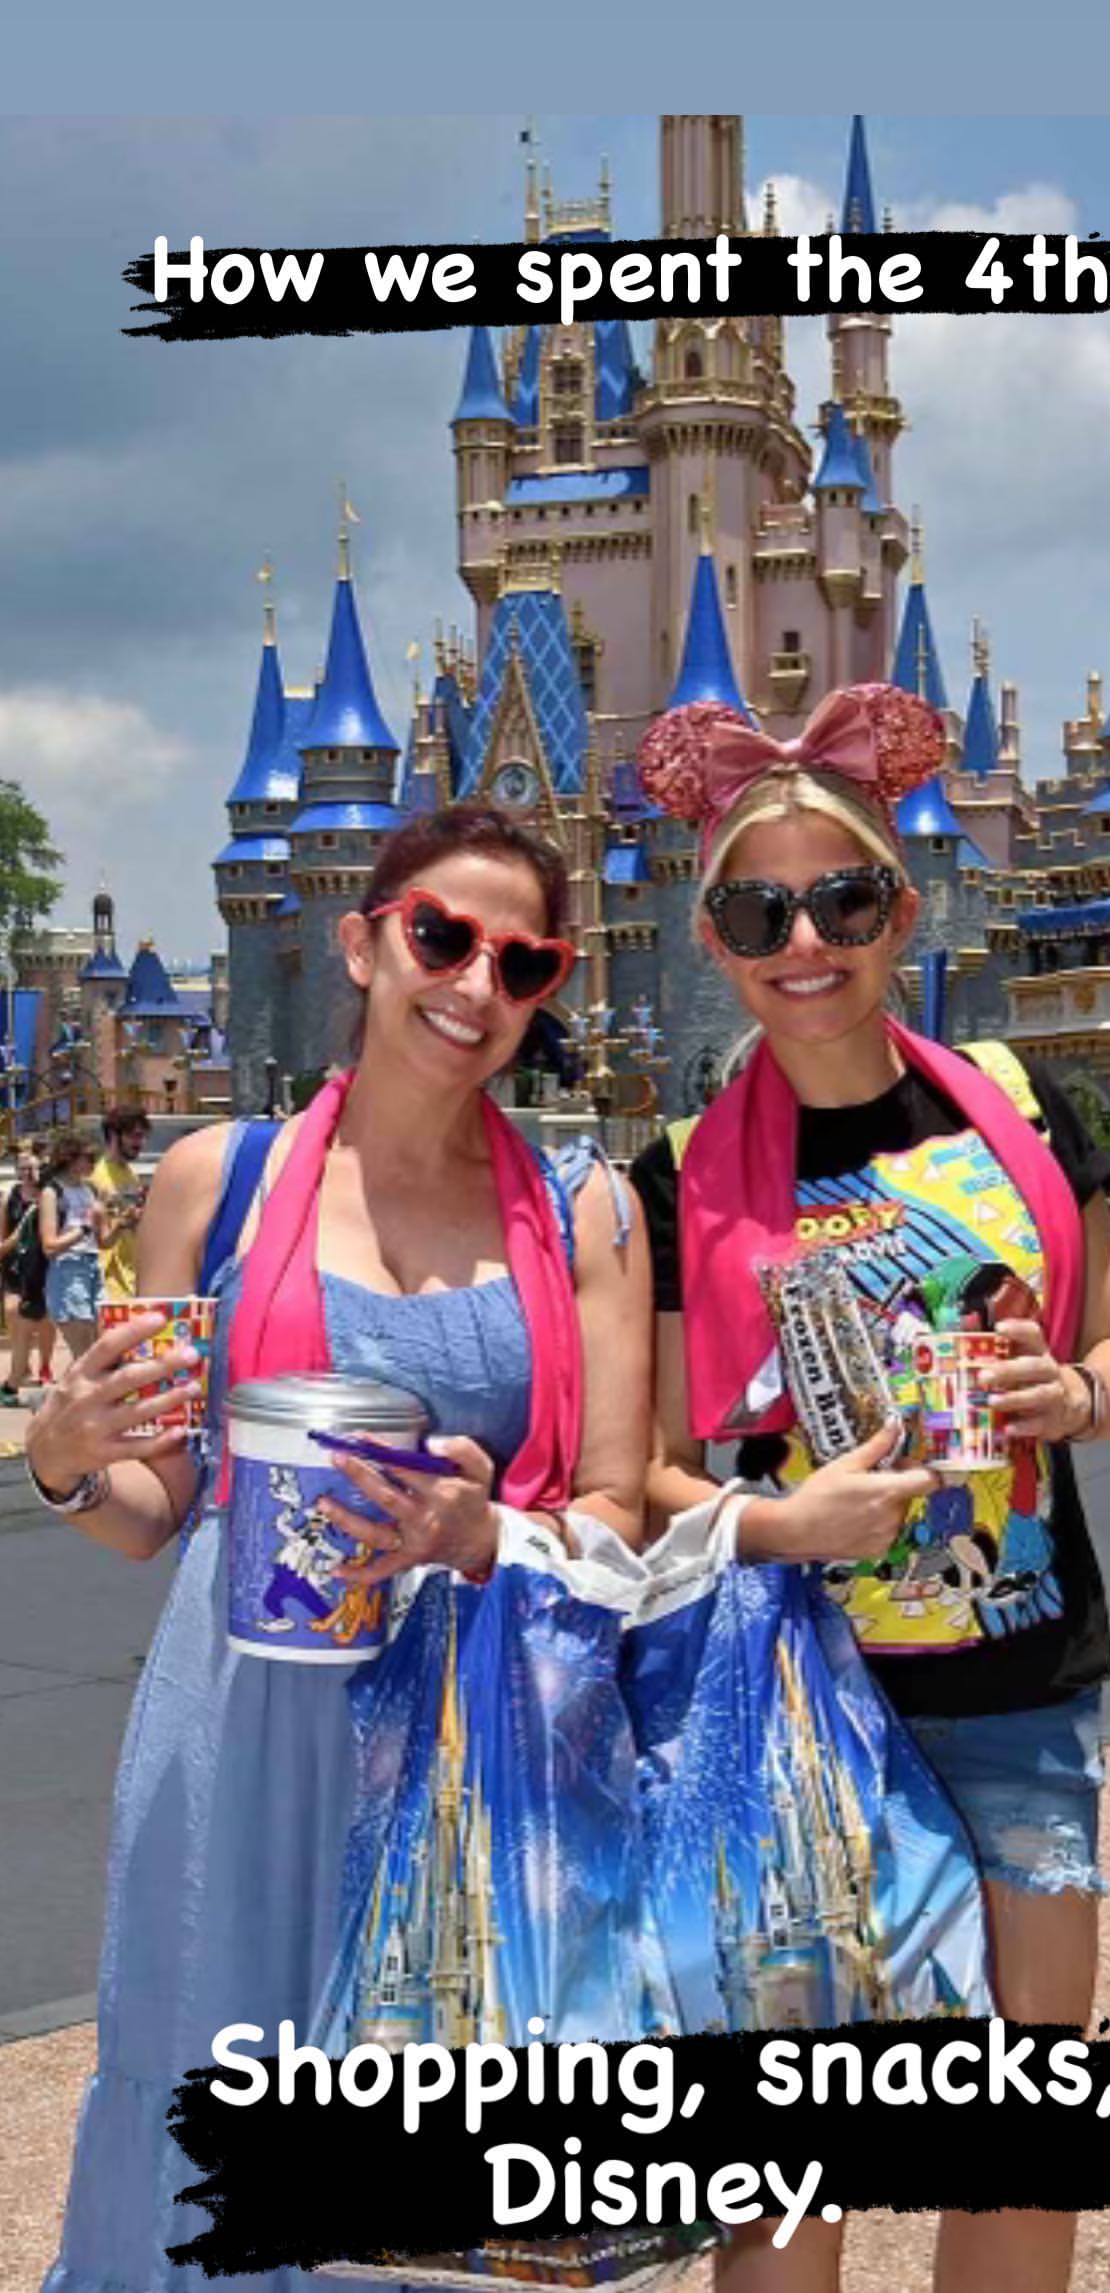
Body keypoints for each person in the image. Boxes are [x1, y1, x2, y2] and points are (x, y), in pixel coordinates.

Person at [31, 806, 653, 2293]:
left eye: (524, 961)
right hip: (246, 1730)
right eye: (443, 936)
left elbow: (620, 1506)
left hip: (468, 1737)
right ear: (364, 940)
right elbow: (155, 1507)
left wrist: (481, 1524)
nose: (475, 984)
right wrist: (65, 1459)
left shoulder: (589, 1213)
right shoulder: (214, 1182)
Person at [631, 683, 1110, 2293]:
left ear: (901, 909)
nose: (806, 939)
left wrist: (1066, 1393)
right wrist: (787, 1520)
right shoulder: (680, 1169)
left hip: (1012, 1684)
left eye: (842, 898)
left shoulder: (1010, 1106)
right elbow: (642, 1474)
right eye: (759, 907)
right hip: (797, 1692)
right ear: (715, 937)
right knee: (794, 2162)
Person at [38, 1131, 107, 1361]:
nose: (92, 1163)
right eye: (87, 1158)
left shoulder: (91, 1190)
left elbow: (103, 1241)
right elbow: (49, 1245)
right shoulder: (52, 1192)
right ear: (70, 1158)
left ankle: (76, 1396)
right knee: (85, 1355)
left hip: (93, 1266)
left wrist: (123, 1223)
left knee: (98, 1351)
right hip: (68, 1269)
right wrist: (86, 1227)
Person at [0, 1152, 56, 1399]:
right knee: (13, 1312)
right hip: (16, 1267)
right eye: (22, 1168)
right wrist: (15, 1239)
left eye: (31, 1168)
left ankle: (45, 1364)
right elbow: (3, 1241)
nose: (27, 1174)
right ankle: (22, 1366)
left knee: (45, 1320)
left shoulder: (49, 1196)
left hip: (43, 1265)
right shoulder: (8, 1199)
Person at [92, 1104, 153, 1301]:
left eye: (143, 1136)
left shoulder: (131, 1176)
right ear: (113, 1134)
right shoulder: (95, 1176)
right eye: (135, 1136)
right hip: (105, 1275)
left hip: (130, 1274)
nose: (140, 1143)